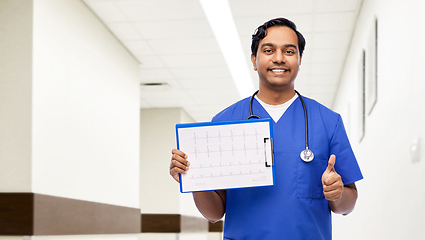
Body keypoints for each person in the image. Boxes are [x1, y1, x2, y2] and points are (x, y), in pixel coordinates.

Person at [170, 17, 363, 240]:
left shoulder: (328, 122)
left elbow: (347, 205)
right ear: (254, 60)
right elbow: (214, 213)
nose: (279, 58)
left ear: (300, 60)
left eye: (289, 51)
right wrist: (194, 178)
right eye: (269, 50)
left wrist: (337, 194)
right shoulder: (224, 122)